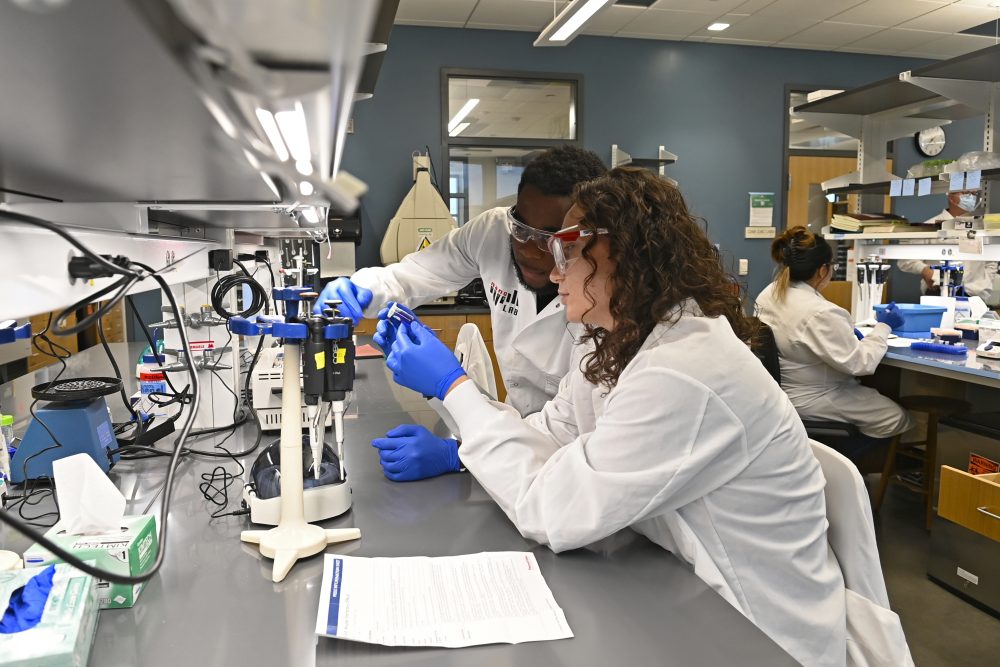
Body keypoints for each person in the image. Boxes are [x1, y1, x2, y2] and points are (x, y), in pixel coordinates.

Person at [376, 167, 848, 666]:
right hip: (674, 584)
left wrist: (453, 389)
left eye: (568, 252)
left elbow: (555, 514)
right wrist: (459, 454)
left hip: (754, 632)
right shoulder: (622, 341)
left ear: (627, 257)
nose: (554, 272)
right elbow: (556, 430)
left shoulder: (684, 369)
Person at [317, 145, 607, 482]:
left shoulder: (602, 303)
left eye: (549, 239)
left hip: (562, 463)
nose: (528, 250)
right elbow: (417, 273)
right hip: (514, 436)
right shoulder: (493, 232)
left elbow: (579, 436)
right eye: (521, 228)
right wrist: (358, 290)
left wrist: (460, 453)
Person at [756, 226, 915, 447]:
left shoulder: (769, 293)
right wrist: (884, 326)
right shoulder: (821, 311)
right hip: (816, 396)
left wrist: (845, 332)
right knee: (897, 418)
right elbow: (861, 363)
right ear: (822, 270)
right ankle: (848, 468)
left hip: (782, 394)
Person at [899, 191, 999, 304]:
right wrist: (924, 270)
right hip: (937, 294)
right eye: (966, 193)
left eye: (974, 193)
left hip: (974, 297)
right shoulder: (930, 226)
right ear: (951, 197)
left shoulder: (983, 228)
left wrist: (985, 285)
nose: (972, 197)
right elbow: (905, 260)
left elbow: (992, 259)